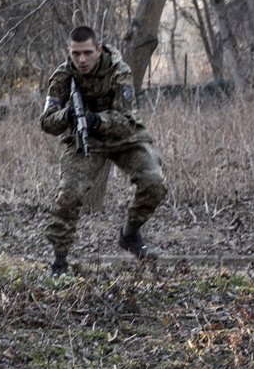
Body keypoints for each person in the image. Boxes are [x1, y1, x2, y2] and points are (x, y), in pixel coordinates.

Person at [39, 26, 167, 275]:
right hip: (85, 140)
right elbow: (46, 122)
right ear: (70, 52)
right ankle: (59, 260)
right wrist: (68, 114)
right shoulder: (63, 76)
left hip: (124, 137)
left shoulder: (119, 71)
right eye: (76, 54)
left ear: (99, 49)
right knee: (69, 193)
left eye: (87, 52)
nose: (82, 59)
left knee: (154, 183)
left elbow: (125, 118)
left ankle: (130, 234)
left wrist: (97, 119)